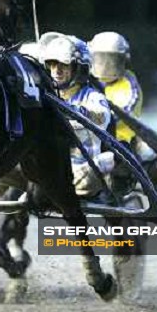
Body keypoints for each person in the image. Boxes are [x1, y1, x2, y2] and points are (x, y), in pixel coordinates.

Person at [88, 31, 157, 184]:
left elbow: (125, 111)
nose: (106, 66)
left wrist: (92, 117)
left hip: (120, 142)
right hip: (85, 138)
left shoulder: (128, 83)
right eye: (101, 60)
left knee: (156, 161)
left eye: (111, 61)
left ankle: (126, 180)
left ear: (124, 61)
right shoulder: (84, 80)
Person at [39, 32, 113, 197]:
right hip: (48, 169)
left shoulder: (93, 97)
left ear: (78, 68)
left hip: (81, 169)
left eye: (63, 64)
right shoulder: (44, 95)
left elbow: (101, 119)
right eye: (51, 63)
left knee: (108, 159)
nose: (56, 70)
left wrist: (71, 110)